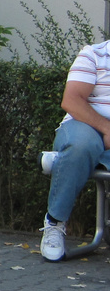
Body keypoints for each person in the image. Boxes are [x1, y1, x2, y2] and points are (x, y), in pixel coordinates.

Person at [41, 40, 110, 260]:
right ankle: (55, 222)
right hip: (86, 124)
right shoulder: (95, 55)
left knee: (78, 154)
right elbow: (71, 100)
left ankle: (63, 161)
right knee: (81, 145)